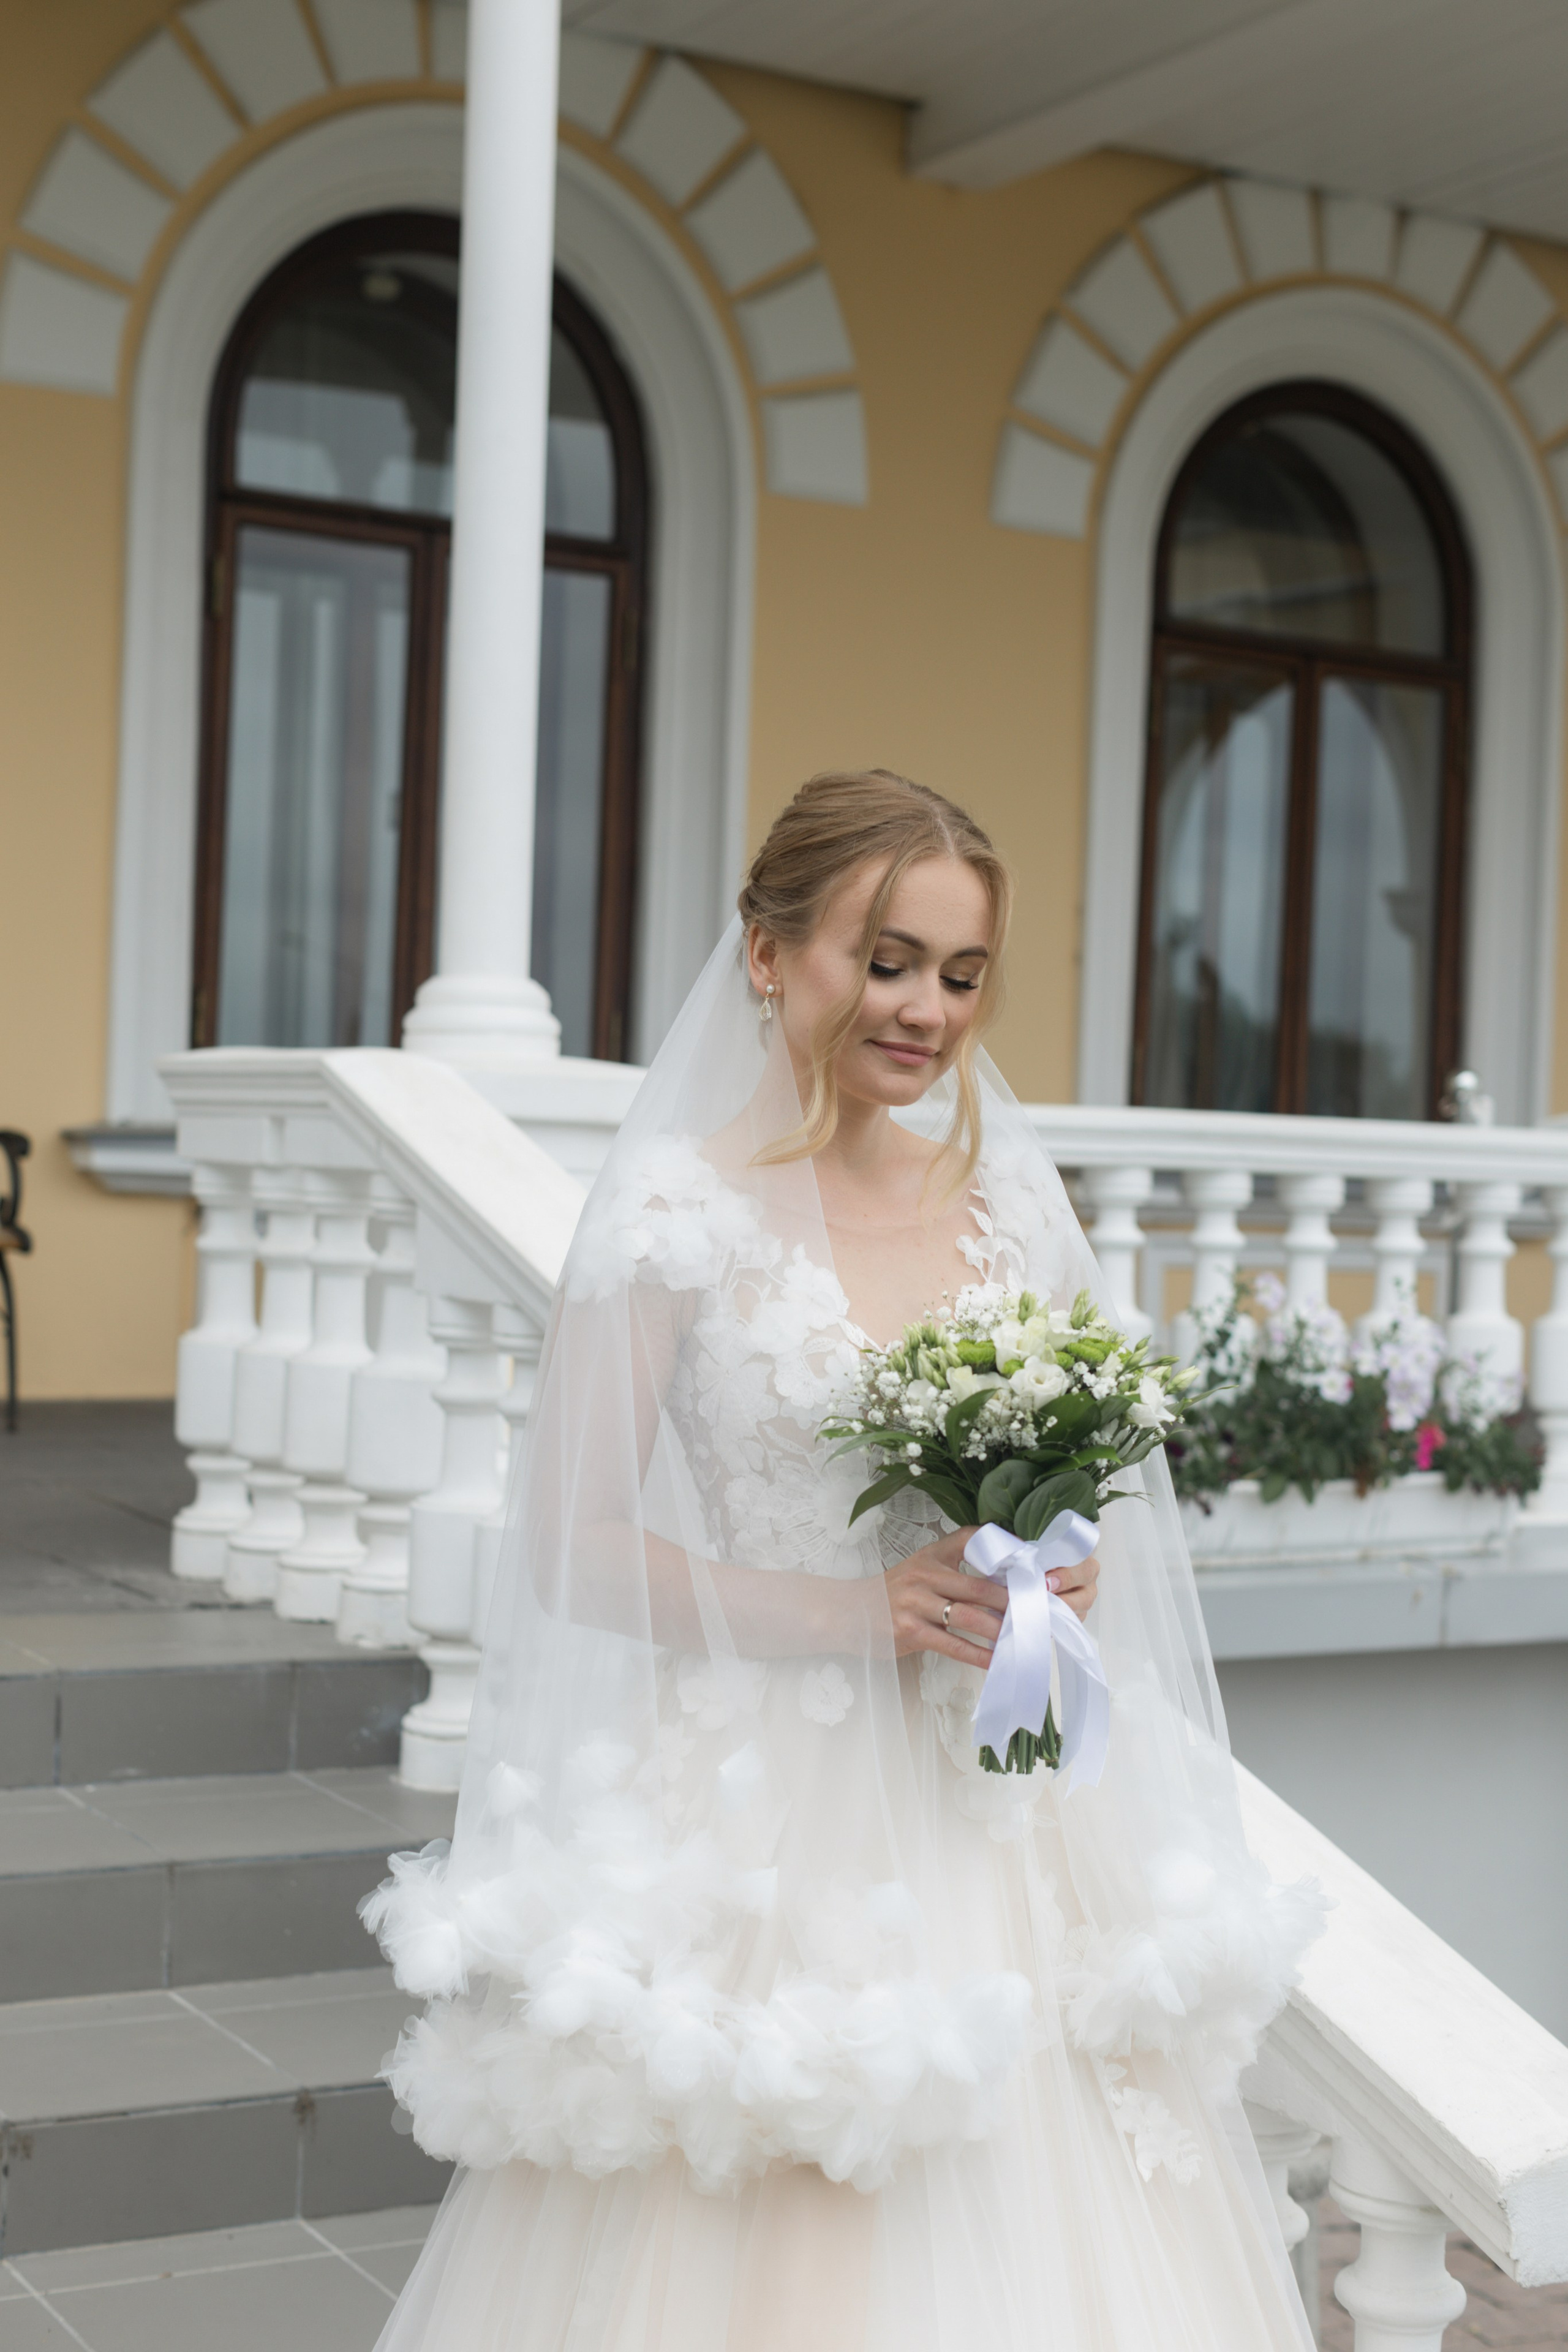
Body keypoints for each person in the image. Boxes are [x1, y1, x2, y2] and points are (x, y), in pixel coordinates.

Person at [366, 770, 1324, 2351]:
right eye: (886, 961)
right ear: (766, 955)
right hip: (773, 1828)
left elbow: (1089, 1469)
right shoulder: (678, 1216)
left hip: (1004, 1807)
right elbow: (574, 1547)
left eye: (960, 975)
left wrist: (1055, 1565)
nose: (927, 1012)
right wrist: (858, 1610)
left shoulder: (1005, 1197)